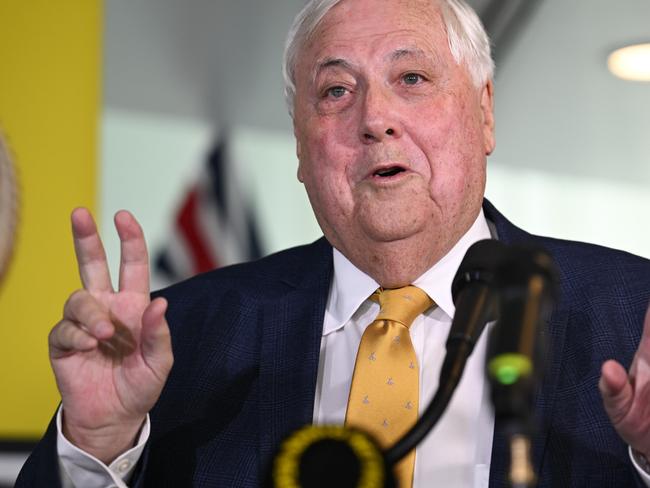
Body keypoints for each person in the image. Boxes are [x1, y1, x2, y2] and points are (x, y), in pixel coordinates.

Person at [16, 0, 650, 486]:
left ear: (484, 113)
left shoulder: (634, 313)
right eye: (336, 91)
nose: (374, 119)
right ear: (300, 147)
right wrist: (97, 444)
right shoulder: (182, 337)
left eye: (412, 78)